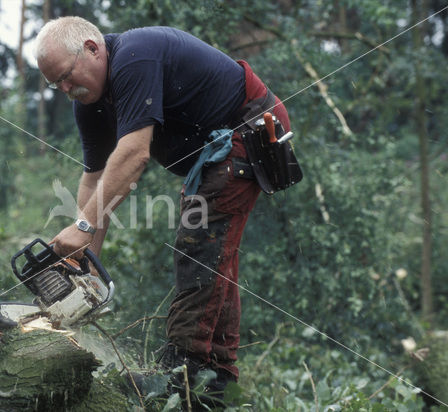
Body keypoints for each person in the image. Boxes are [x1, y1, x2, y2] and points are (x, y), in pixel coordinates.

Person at [35, 16, 291, 402]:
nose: (67, 89)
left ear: (92, 48)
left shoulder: (135, 57)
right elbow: (95, 179)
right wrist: (83, 262)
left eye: (68, 76)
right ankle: (217, 382)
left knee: (199, 244)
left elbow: (134, 155)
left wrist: (84, 226)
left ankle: (182, 375)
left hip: (247, 130)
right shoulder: (89, 103)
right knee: (215, 253)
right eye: (57, 84)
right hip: (211, 153)